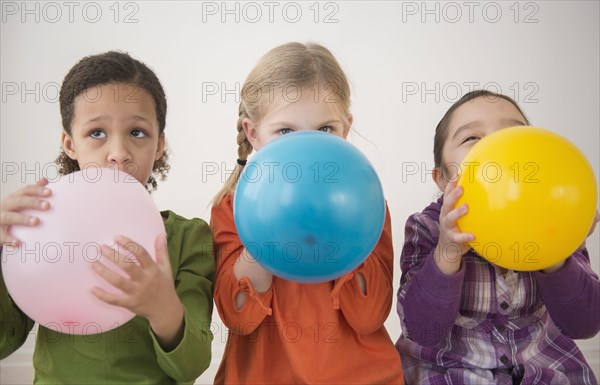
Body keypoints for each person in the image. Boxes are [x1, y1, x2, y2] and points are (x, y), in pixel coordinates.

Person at [0, 51, 214, 384]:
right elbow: (4, 341)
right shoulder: (38, 230)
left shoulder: (190, 238)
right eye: (97, 133)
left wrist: (163, 309)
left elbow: (192, 365)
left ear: (159, 146)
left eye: (138, 133)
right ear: (70, 144)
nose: (118, 153)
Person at [210, 42, 404, 384]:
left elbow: (370, 315)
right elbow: (238, 317)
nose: (307, 150)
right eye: (286, 131)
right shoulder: (230, 207)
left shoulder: (366, 204)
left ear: (345, 130)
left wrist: (345, 227)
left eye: (325, 129)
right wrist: (266, 234)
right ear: (254, 134)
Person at [396, 89, 600, 385]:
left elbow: (584, 324)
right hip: (448, 370)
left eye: (513, 135)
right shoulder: (426, 226)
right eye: (472, 138)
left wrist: (557, 254)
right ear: (442, 179)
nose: (496, 147)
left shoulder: (556, 220)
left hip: (542, 366)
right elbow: (422, 330)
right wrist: (448, 252)